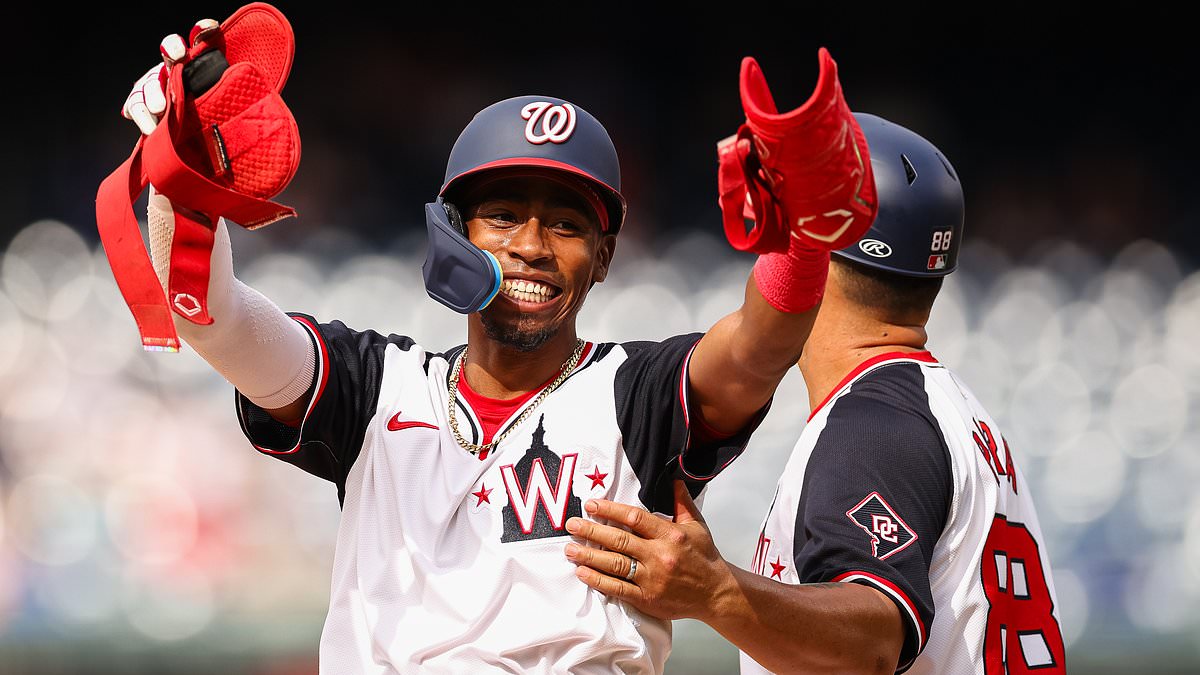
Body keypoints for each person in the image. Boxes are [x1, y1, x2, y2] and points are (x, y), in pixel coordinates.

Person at [112, 14, 879, 674]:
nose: (533, 246)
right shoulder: (374, 387)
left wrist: (804, 243)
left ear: (605, 257)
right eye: (503, 213)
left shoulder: (635, 393)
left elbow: (754, 349)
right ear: (454, 230)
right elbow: (210, 317)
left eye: (569, 224)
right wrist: (180, 182)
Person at [565, 114, 1067, 674]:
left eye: (782, 239)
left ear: (812, 258)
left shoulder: (871, 422)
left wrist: (717, 592)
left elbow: (870, 642)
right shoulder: (953, 411)